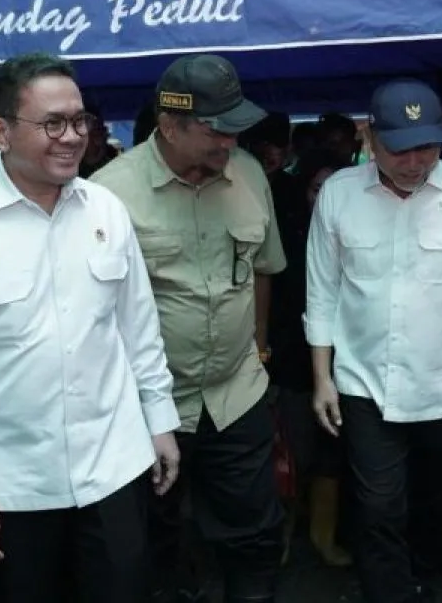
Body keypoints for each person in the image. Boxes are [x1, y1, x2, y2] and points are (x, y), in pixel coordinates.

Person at [0, 53, 180, 603]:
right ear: (1, 131)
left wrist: (159, 419)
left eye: (79, 121)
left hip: (114, 467)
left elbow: (137, 328)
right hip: (11, 489)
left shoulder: (107, 210)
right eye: (52, 124)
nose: (72, 137)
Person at [305, 78, 442, 603]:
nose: (413, 162)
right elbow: (322, 292)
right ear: (370, 138)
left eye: (426, 147)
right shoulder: (339, 194)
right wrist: (322, 379)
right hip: (365, 385)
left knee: (438, 501)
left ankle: (424, 575)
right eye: (399, 149)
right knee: (378, 506)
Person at [92, 54, 287, 603]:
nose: (230, 141)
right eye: (216, 130)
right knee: (155, 539)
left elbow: (263, 269)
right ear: (170, 126)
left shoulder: (249, 174)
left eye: (235, 128)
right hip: (149, 409)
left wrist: (259, 350)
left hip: (237, 394)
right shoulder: (108, 195)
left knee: (255, 534)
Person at [265, 148, 352, 568]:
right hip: (294, 365)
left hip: (350, 365)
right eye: (318, 188)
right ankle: (281, 538)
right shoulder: (288, 236)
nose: (325, 198)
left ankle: (323, 537)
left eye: (333, 188)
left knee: (332, 457)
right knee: (292, 454)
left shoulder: (357, 237)